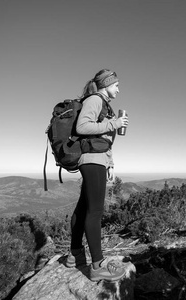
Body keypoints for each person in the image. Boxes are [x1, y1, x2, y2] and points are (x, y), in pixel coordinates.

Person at [65, 69, 129, 282]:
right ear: (106, 84)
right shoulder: (95, 99)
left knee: (83, 208)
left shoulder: (102, 103)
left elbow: (103, 139)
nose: (118, 89)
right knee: (95, 212)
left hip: (97, 160)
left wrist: (110, 163)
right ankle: (98, 265)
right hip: (92, 160)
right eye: (116, 84)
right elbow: (82, 127)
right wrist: (115, 124)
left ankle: (74, 255)